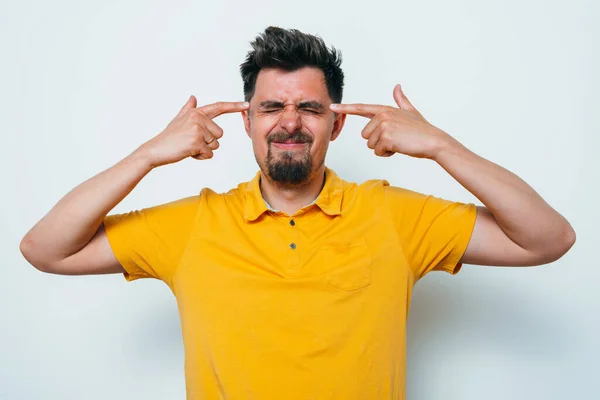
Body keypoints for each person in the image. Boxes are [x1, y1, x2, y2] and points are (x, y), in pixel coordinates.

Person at [20, 26, 576, 399]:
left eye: (310, 107)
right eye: (271, 107)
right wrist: (147, 155)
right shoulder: (192, 225)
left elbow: (547, 240)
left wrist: (440, 146)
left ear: (336, 125)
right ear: (248, 122)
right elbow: (45, 249)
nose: (290, 122)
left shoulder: (393, 216)